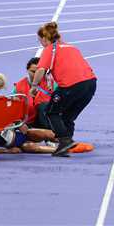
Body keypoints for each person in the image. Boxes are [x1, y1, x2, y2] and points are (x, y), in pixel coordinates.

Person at [29, 22, 97, 157]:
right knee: (67, 116)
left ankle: (64, 141)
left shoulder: (50, 49)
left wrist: (34, 86)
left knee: (51, 111)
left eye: (40, 41)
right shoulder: (72, 47)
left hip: (71, 85)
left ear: (44, 38)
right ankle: (67, 144)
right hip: (91, 84)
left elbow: (41, 69)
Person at [11, 57, 56, 129]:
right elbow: (11, 104)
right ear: (27, 70)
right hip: (28, 121)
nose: (35, 74)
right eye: (33, 71)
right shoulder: (19, 85)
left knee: (44, 106)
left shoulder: (52, 84)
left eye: (39, 71)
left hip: (46, 119)